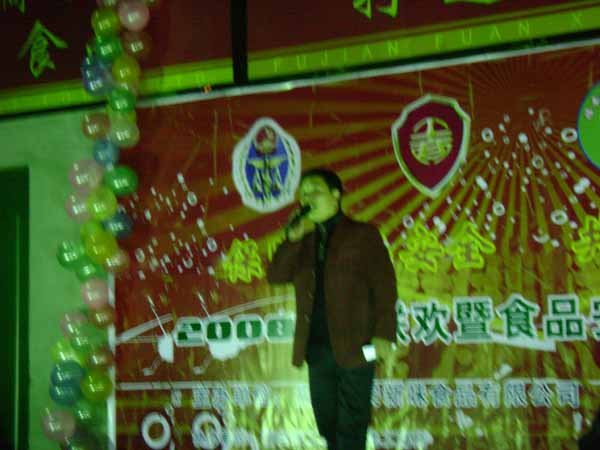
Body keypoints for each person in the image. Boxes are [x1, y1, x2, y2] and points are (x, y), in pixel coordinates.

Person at [267, 167, 397, 450]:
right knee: (327, 424)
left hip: (357, 346)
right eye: (303, 194)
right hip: (317, 349)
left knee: (352, 426)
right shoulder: (303, 241)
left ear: (336, 194)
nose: (307, 198)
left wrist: (384, 333)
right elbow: (276, 276)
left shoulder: (363, 234)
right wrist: (292, 240)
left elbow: (385, 286)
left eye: (315, 191)